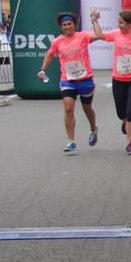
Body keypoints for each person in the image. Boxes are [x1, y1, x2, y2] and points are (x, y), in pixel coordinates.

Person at [92, 8, 131, 155]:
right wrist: (94, 19)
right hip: (119, 78)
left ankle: (129, 143)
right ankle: (125, 119)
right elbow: (99, 35)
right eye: (118, 22)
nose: (118, 25)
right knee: (122, 112)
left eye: (121, 22)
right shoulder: (116, 34)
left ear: (129, 23)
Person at [38, 11, 100, 154]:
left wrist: (95, 20)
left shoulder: (83, 36)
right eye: (64, 25)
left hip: (85, 79)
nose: (67, 27)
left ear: (74, 25)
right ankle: (71, 141)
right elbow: (50, 55)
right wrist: (43, 69)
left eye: (69, 24)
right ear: (61, 27)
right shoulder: (57, 41)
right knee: (68, 108)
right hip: (68, 80)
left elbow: (98, 35)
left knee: (87, 108)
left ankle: (93, 129)